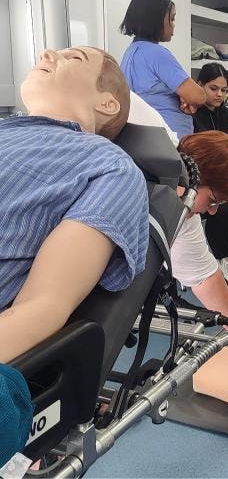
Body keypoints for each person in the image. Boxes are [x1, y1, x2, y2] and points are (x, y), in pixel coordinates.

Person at [0, 46, 149, 363]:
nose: (45, 53)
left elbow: (42, 305)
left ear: (107, 103)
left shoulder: (108, 167)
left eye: (76, 57)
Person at [172, 130, 228, 351]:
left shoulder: (186, 215)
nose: (212, 211)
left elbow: (203, 277)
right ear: (191, 177)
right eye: (213, 200)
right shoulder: (127, 172)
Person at [120, 0, 205, 139]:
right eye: (171, 18)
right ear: (155, 19)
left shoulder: (130, 53)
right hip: (172, 138)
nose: (173, 24)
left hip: (146, 138)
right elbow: (198, 96)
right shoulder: (157, 54)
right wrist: (187, 98)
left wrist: (183, 97)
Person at [192, 63, 228, 292]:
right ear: (199, 85)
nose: (220, 95)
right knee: (223, 210)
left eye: (224, 90)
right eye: (214, 88)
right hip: (205, 184)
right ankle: (218, 260)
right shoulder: (192, 115)